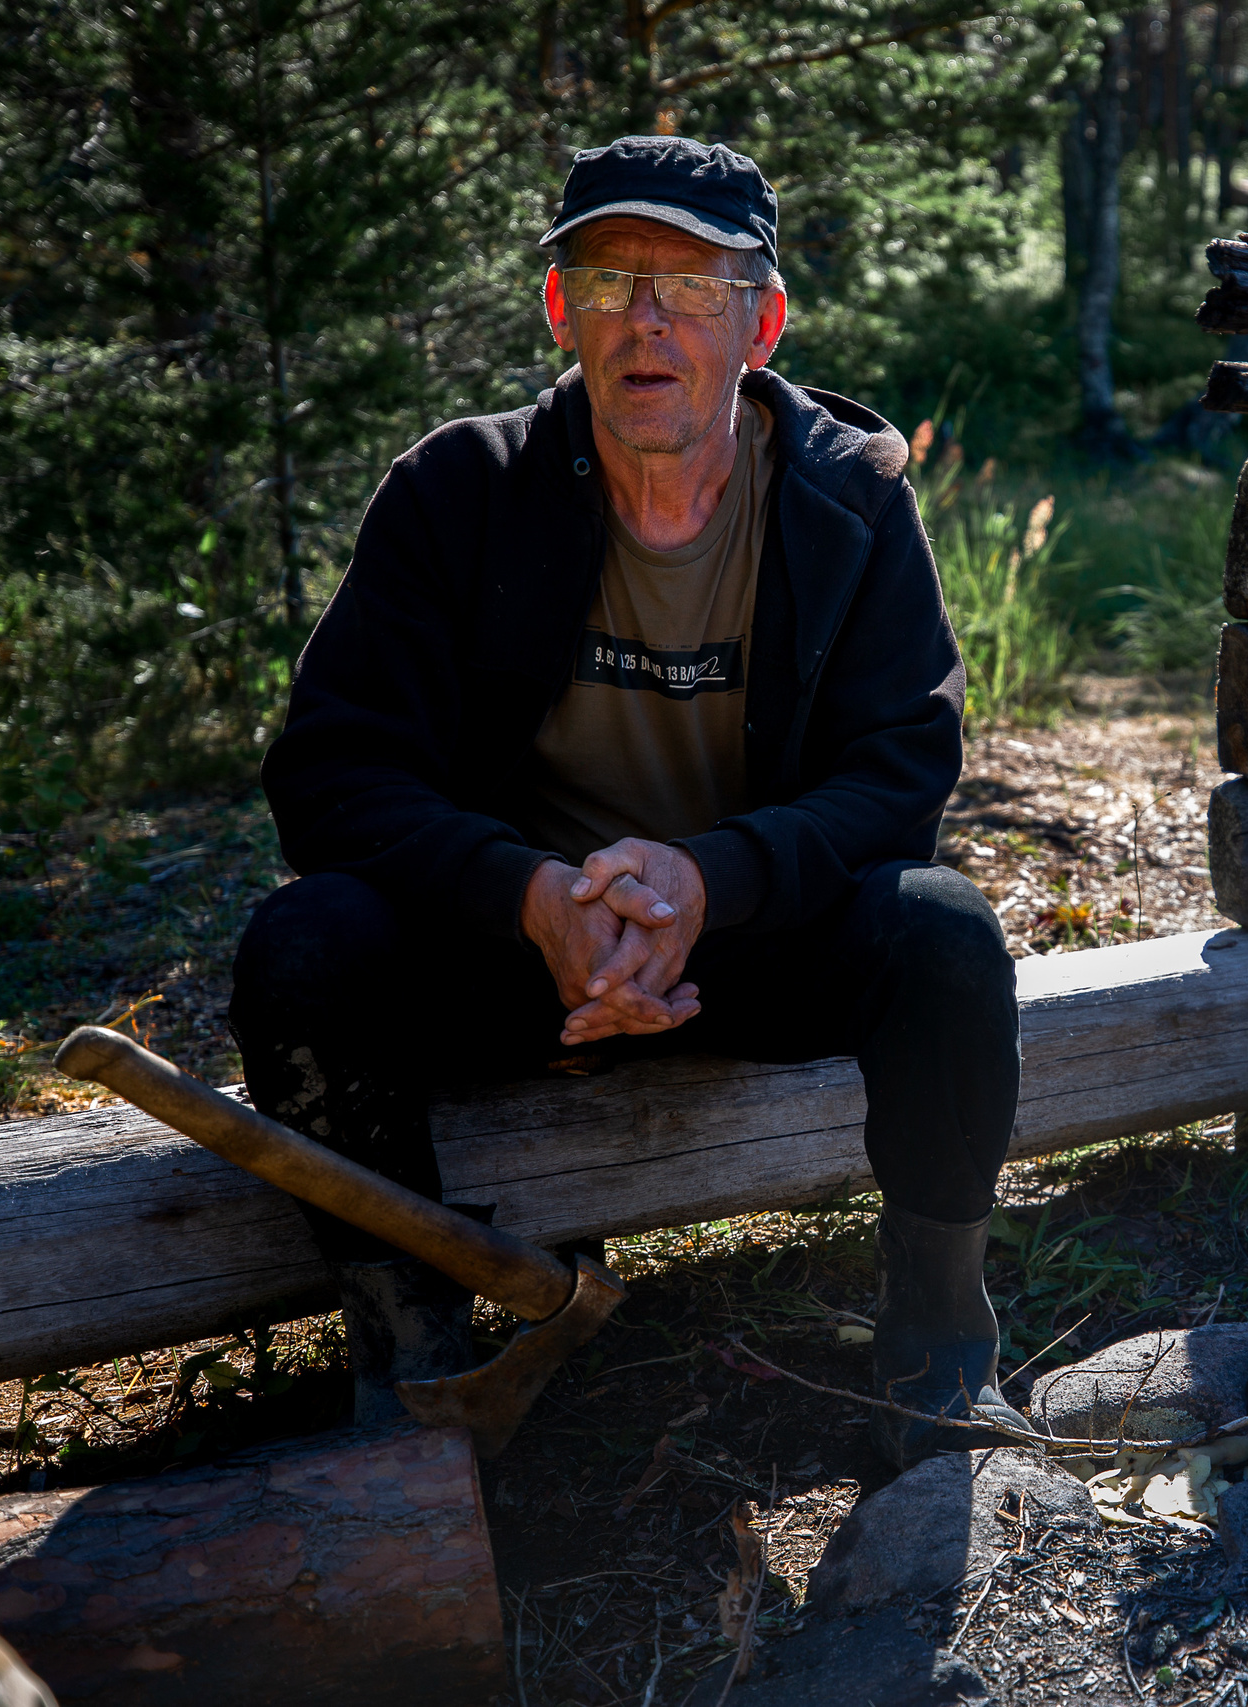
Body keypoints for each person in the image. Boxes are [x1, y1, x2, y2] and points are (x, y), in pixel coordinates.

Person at [233, 135, 1023, 1468]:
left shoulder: (846, 504)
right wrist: (531, 897)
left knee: (942, 932)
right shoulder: (458, 492)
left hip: (747, 949)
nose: (645, 319)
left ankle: (941, 1349)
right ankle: (414, 1372)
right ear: (560, 311)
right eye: (607, 280)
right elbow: (332, 772)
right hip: (513, 957)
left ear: (760, 320)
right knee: (304, 946)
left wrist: (709, 883)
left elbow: (900, 769)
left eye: (692, 285)